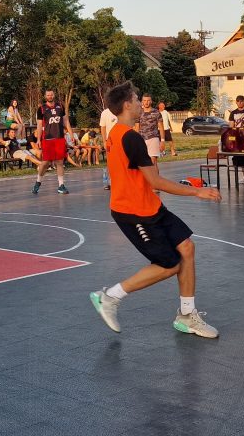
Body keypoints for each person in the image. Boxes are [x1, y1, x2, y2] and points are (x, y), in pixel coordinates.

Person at [89, 81, 222, 339]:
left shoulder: (116, 133)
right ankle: (109, 297)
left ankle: (187, 316)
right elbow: (156, 181)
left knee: (186, 247)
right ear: (127, 105)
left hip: (149, 206)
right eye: (137, 99)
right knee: (169, 264)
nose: (141, 103)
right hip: (133, 212)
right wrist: (197, 191)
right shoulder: (131, 138)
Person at [32, 89, 73, 194]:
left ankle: (61, 185)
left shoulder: (60, 106)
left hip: (59, 137)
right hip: (48, 138)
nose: (50, 96)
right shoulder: (41, 109)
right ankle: (38, 181)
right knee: (45, 163)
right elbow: (39, 125)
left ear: (54, 95)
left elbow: (66, 121)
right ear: (45, 96)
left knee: (59, 161)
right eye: (48, 95)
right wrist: (38, 139)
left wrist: (71, 134)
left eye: (51, 94)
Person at [137, 94, 165, 164]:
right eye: (144, 100)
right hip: (142, 139)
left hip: (153, 138)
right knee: (144, 163)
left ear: (151, 101)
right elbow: (136, 128)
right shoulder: (138, 113)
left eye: (148, 100)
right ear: (142, 102)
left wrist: (162, 141)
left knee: (153, 162)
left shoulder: (156, 112)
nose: (146, 102)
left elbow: (161, 127)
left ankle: (155, 175)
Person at [99, 106, 118, 190]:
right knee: (110, 162)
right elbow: (103, 127)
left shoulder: (120, 110)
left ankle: (122, 181)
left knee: (122, 161)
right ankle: (111, 182)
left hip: (121, 139)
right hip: (110, 140)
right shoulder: (105, 113)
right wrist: (104, 141)